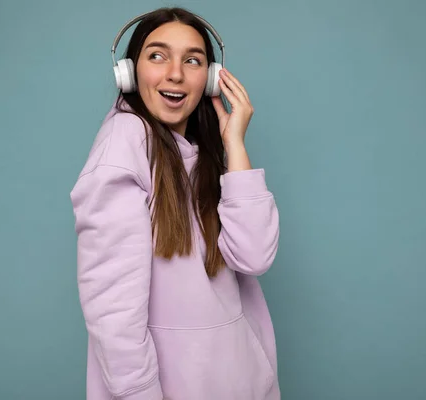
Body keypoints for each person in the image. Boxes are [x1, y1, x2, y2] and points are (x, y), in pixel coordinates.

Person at [70, 7, 281, 400]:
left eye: (193, 60)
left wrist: (234, 143)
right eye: (157, 55)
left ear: (212, 79)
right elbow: (113, 313)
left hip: (239, 381)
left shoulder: (204, 150)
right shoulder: (124, 145)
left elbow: (253, 257)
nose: (175, 74)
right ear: (129, 72)